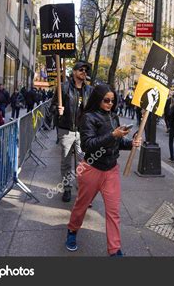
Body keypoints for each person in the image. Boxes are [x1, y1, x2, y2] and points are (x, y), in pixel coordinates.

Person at [65, 84, 142, 255]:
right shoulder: (88, 117)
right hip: (91, 168)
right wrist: (112, 135)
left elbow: (118, 143)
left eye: (112, 101)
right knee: (81, 206)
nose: (110, 104)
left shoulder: (114, 116)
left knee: (113, 212)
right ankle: (72, 230)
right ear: (98, 99)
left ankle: (114, 250)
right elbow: (87, 145)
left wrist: (131, 143)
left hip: (111, 170)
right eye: (106, 100)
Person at [50, 61, 93, 202]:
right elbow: (51, 107)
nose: (84, 72)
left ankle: (81, 190)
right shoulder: (63, 88)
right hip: (66, 130)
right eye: (81, 69)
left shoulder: (89, 90)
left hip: (83, 132)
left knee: (82, 162)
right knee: (66, 162)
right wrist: (58, 109)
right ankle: (67, 189)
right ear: (74, 72)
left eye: (86, 70)